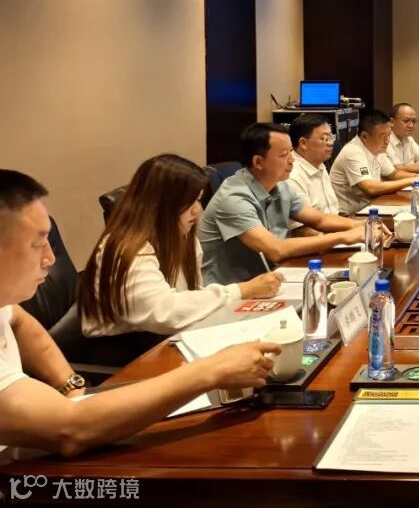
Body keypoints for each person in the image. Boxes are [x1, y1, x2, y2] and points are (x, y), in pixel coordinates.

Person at [0, 170, 278, 460]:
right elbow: (70, 429)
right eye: (37, 244)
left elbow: (18, 319)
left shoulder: (5, 303)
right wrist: (212, 371)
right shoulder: (130, 248)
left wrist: (69, 382)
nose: (50, 258)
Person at [80, 155, 283, 338]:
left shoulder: (180, 235)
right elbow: (163, 312)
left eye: (198, 200)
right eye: (190, 202)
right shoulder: (126, 249)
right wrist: (240, 291)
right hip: (121, 352)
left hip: (162, 338)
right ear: (162, 205)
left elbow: (190, 296)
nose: (197, 211)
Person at [199, 123, 370, 286]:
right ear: (258, 162)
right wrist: (343, 237)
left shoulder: (279, 186)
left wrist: (365, 225)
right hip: (235, 290)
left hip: (272, 276)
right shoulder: (233, 198)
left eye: (291, 151)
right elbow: (275, 249)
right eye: (283, 155)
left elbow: (320, 220)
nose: (292, 160)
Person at [330, 109, 419, 215]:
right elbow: (370, 188)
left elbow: (393, 174)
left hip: (371, 206)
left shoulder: (377, 148)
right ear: (365, 136)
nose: (387, 141)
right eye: (383, 136)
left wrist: (418, 176)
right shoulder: (353, 152)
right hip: (349, 215)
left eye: (389, 135)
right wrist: (412, 180)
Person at [285, 113, 341, 233]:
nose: (331, 143)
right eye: (325, 138)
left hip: (334, 233)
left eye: (331, 137)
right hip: (314, 242)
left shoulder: (320, 164)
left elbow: (332, 214)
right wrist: (346, 236)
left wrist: (359, 226)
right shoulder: (291, 176)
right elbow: (302, 231)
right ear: (303, 143)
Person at [387, 103, 419, 174]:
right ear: (392, 122)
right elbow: (396, 169)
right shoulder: (385, 140)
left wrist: (409, 168)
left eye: (414, 121)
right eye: (406, 121)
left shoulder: (409, 139)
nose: (411, 125)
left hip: (410, 178)